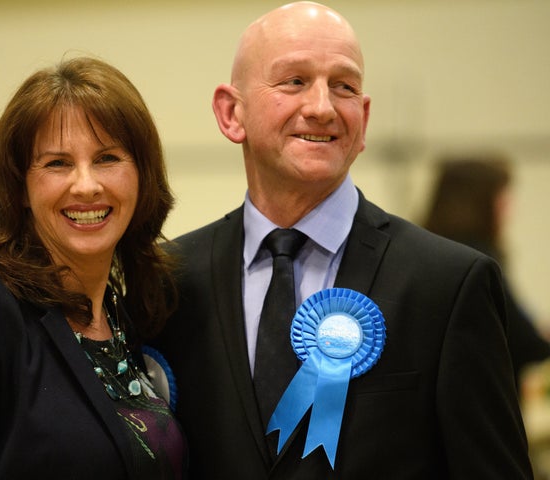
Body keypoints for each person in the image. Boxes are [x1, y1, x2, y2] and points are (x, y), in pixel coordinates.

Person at [153, 2, 532, 478]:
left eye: (344, 86)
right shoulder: (169, 280)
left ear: (365, 119)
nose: (322, 107)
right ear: (232, 113)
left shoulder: (448, 284)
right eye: (293, 81)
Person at [0, 57, 187, 479]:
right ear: (20, 188)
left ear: (141, 176)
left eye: (107, 158)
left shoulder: (131, 317)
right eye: (57, 163)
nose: (86, 184)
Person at [424, 154, 550, 389]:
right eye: (502, 196)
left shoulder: (422, 250)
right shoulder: (477, 261)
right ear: (480, 201)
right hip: (475, 399)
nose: (509, 206)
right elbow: (522, 340)